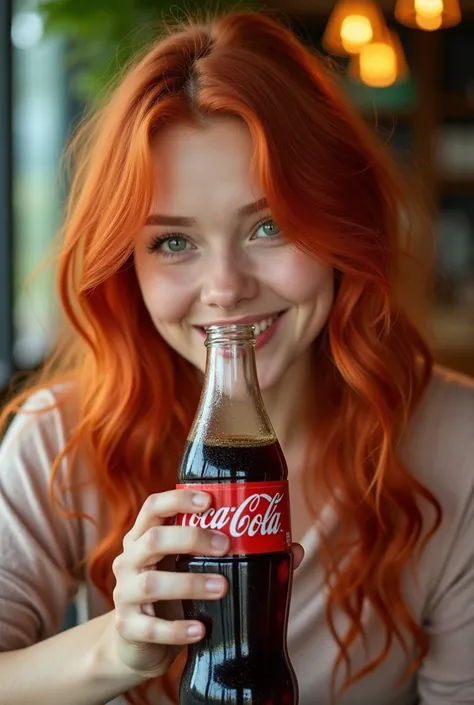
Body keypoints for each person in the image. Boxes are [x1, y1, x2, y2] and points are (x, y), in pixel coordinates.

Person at [0, 8, 473, 705]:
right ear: (123, 266)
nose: (226, 288)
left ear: (343, 226)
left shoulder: (457, 442)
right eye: (172, 242)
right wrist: (113, 648)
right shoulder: (58, 438)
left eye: (269, 224)